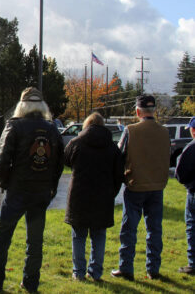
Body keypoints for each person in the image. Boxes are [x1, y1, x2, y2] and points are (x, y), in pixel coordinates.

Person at [0, 87, 63, 293]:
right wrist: (51, 189)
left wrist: (5, 183)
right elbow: (58, 164)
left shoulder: (15, 125)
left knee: (2, 237)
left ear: (22, 105)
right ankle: (30, 283)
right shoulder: (52, 128)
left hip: (17, 191)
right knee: (35, 241)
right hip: (40, 192)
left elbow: (1, 159)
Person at [111, 94, 170, 281]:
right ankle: (153, 269)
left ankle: (126, 267)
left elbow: (119, 155)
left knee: (129, 229)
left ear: (137, 111)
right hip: (157, 186)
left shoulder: (130, 130)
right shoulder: (164, 132)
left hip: (135, 185)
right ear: (155, 111)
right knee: (155, 230)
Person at [64, 112, 124, 281]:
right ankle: (95, 272)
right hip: (103, 197)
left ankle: (78, 271)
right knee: (98, 236)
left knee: (79, 236)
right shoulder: (112, 147)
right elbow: (119, 174)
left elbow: (66, 160)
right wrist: (112, 192)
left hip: (79, 196)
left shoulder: (76, 143)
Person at [173, 116, 195, 275]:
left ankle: (193, 263)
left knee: (192, 226)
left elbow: (180, 173)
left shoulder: (191, 148)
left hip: (194, 192)